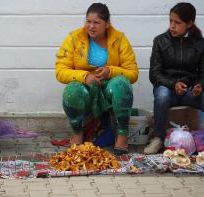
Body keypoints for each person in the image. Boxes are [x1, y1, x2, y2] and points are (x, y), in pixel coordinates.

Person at [55, 3, 139, 155]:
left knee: (121, 84)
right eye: (88, 21)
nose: (91, 26)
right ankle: (77, 133)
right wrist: (85, 76)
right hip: (86, 87)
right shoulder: (74, 38)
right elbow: (60, 71)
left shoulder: (119, 39)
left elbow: (133, 73)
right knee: (71, 91)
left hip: (109, 87)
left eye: (96, 22)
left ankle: (122, 135)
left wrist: (111, 71)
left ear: (107, 24)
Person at [144, 2, 204, 154]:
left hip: (190, 91)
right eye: (170, 21)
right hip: (167, 89)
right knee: (162, 95)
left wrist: (200, 85)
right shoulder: (160, 41)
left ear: (189, 23)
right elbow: (155, 74)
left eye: (177, 22)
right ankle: (158, 138)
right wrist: (173, 84)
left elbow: (203, 73)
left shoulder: (200, 44)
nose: (172, 26)